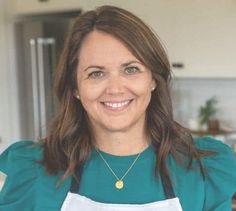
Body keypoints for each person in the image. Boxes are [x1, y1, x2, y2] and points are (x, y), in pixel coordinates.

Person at [0, 5, 235, 211]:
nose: (115, 88)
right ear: (75, 87)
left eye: (131, 69)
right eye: (96, 73)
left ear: (153, 79)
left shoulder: (203, 169)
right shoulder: (32, 171)